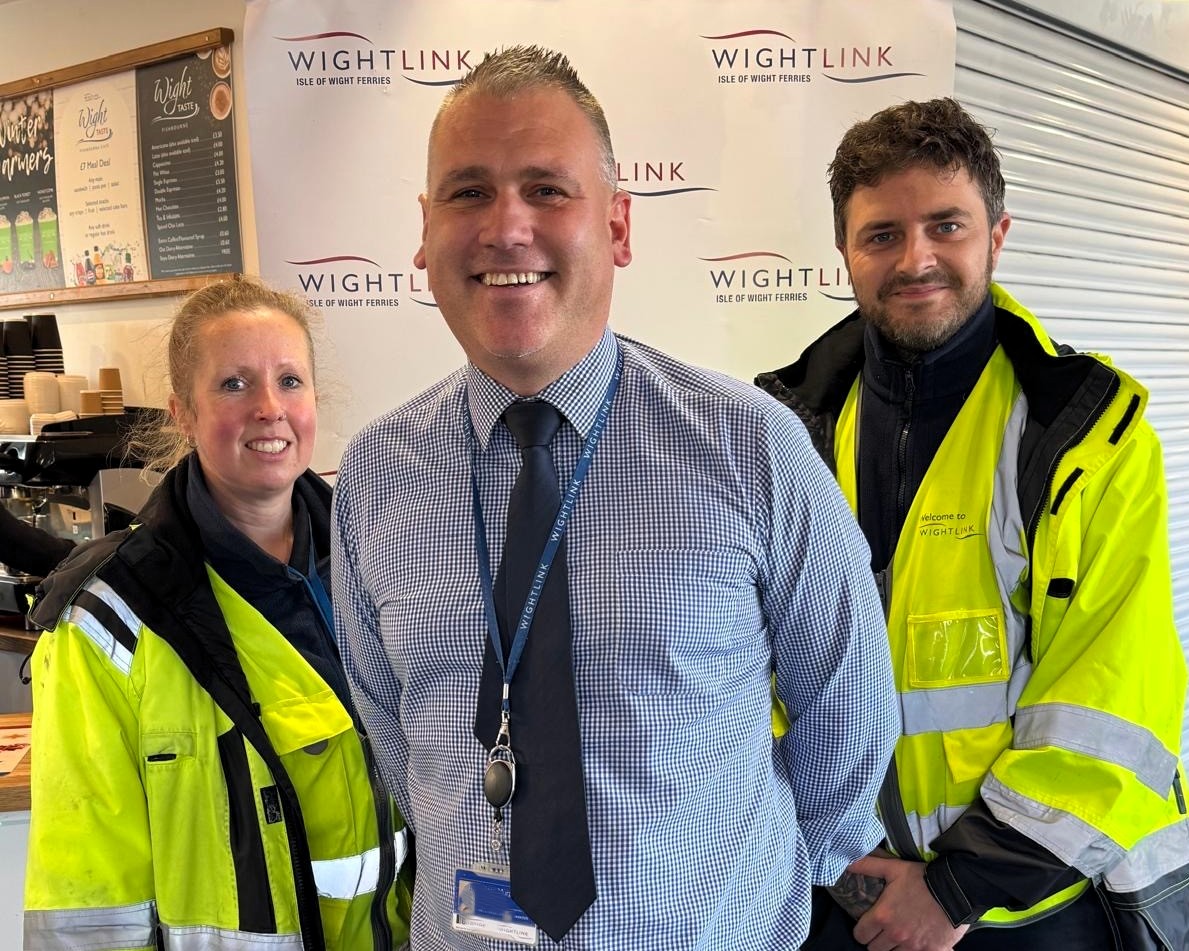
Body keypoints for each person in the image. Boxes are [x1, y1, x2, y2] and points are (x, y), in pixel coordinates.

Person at [332, 45, 897, 949]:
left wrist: (739, 890)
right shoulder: (374, 474)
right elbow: (396, 736)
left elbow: (848, 706)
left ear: (620, 226)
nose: (506, 227)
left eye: (548, 190)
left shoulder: (750, 446)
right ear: (425, 230)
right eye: (468, 192)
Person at [757, 98, 1189, 951]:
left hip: (1028, 907)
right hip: (839, 894)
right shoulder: (781, 431)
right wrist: (838, 856)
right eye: (881, 234)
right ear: (843, 252)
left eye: (944, 225)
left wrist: (956, 886)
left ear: (995, 234)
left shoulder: (1084, 435)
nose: (915, 258)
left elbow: (1112, 692)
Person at [23, 279, 411, 951]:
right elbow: (88, 899)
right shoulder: (110, 619)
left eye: (290, 380)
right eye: (233, 384)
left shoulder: (383, 568)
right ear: (183, 412)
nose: (269, 408)